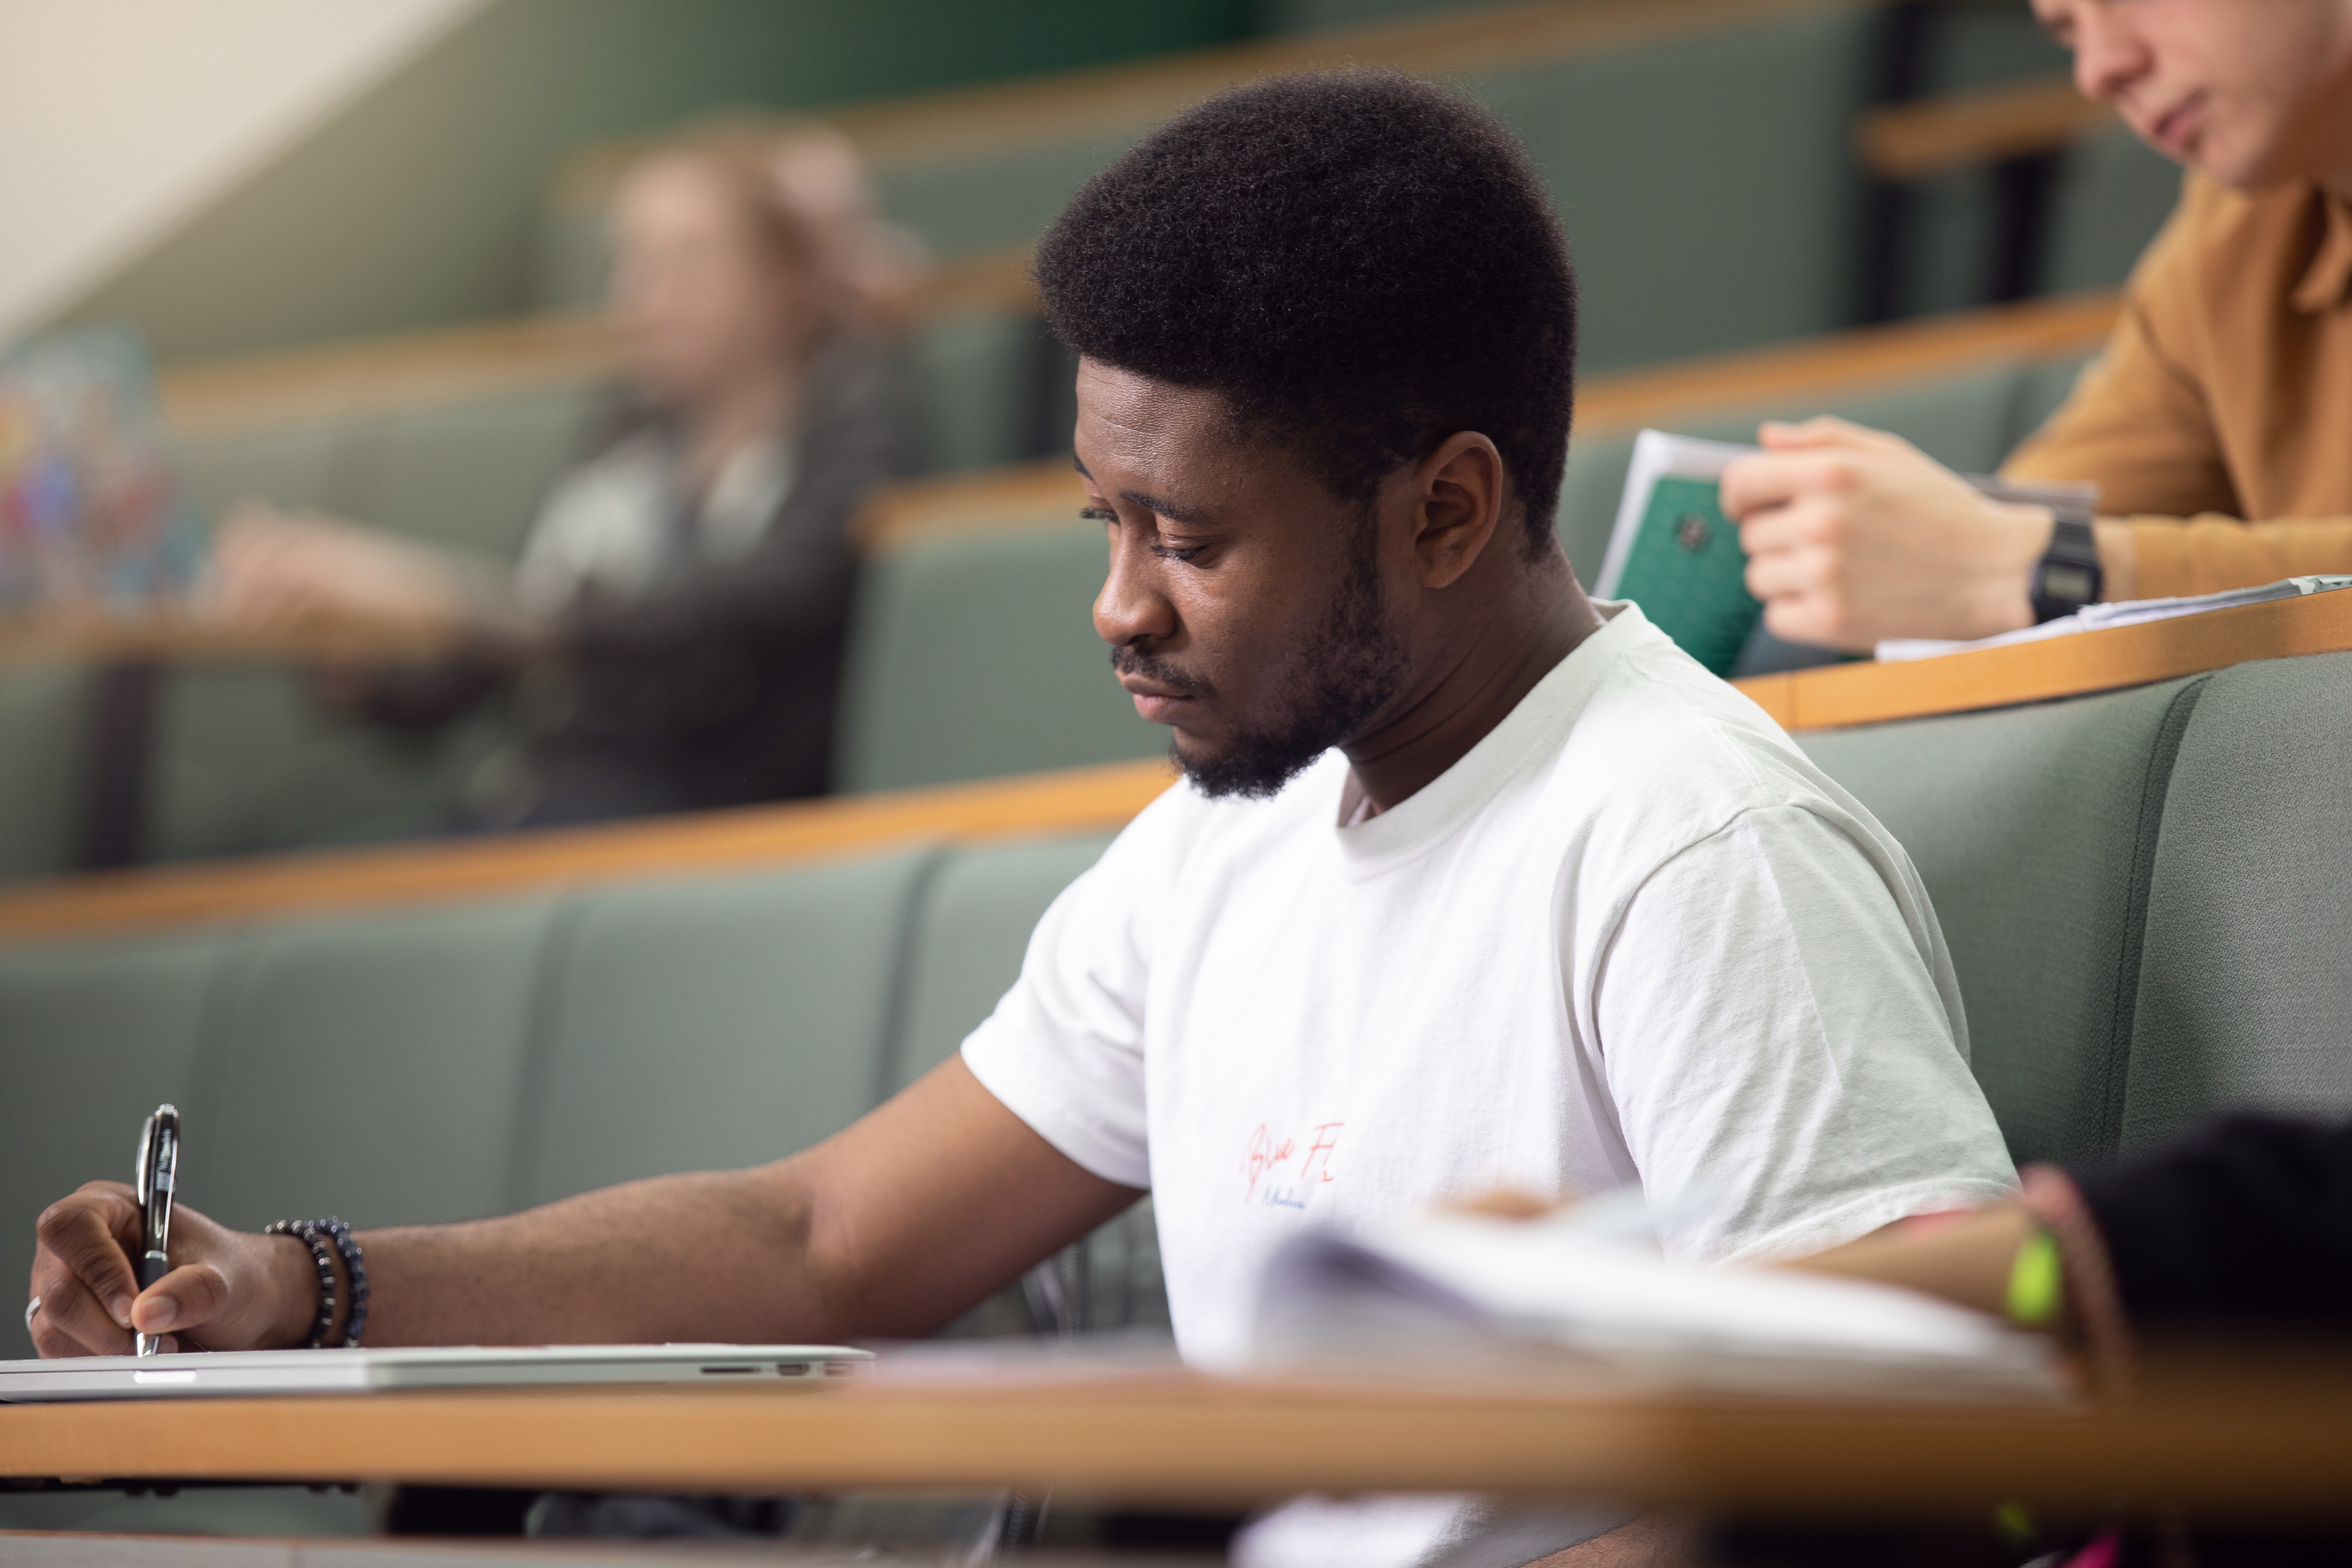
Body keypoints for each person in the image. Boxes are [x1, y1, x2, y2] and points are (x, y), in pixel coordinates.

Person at [28, 74, 2018, 1567]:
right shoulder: (1231, 836)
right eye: (1105, 520)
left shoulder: (1689, 846)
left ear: (1447, 507)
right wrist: (299, 1279)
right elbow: (824, 1238)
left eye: (1193, 536)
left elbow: (1917, 1454)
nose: (1118, 602)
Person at [212, 124, 911, 826]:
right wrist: (365, 654)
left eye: (687, 262)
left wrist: (447, 599)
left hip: (716, 819)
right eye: (630, 266)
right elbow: (506, 644)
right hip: (554, 800)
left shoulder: (854, 427)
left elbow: (743, 611)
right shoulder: (624, 435)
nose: (644, 299)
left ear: (781, 282)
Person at [1722, 0, 2352, 653]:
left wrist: (2050, 568)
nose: (2100, 70)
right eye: (2068, 30)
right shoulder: (2233, 233)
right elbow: (2028, 520)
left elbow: (2027, 550)